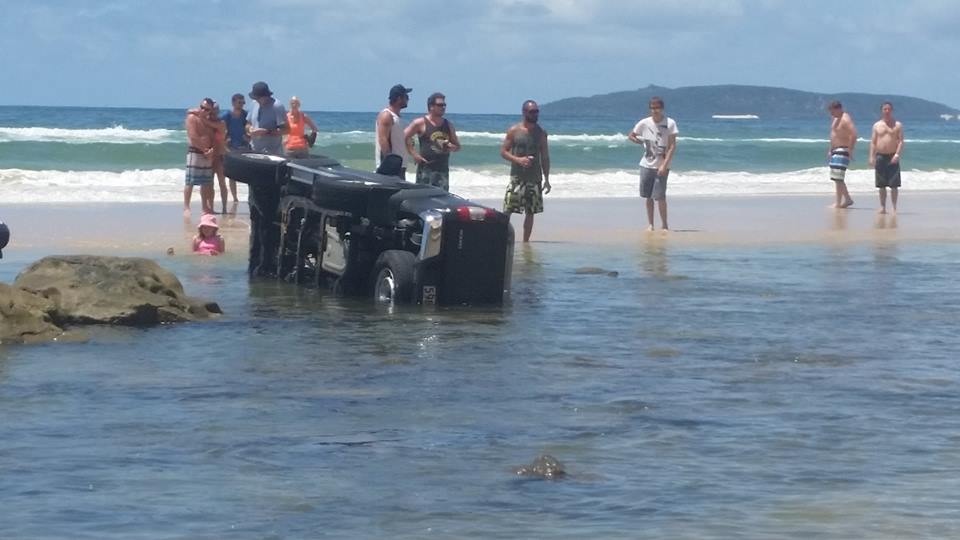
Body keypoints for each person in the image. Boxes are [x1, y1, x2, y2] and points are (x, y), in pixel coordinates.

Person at [501, 100, 551, 242]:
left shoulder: (541, 133)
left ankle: (525, 243)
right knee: (507, 209)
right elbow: (503, 152)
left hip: (534, 178)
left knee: (530, 212)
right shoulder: (514, 131)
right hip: (517, 177)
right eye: (532, 112)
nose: (535, 114)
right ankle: (502, 239)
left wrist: (547, 179)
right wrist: (518, 160)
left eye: (536, 111)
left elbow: (545, 157)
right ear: (524, 112)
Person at [628, 96, 678, 231]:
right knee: (648, 197)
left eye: (657, 108)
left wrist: (665, 164)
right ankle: (650, 224)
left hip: (662, 165)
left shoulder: (670, 123)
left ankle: (665, 225)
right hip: (646, 164)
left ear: (662, 109)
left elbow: (672, 146)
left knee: (660, 196)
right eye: (652, 108)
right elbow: (631, 135)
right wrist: (639, 141)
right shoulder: (644, 122)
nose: (655, 110)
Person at [404, 92, 461, 191]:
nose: (443, 107)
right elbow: (404, 137)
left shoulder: (448, 125)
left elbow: (458, 146)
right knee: (422, 201)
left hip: (442, 171)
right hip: (426, 170)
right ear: (431, 107)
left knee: (441, 202)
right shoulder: (420, 123)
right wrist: (414, 154)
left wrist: (452, 147)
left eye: (444, 105)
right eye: (440, 105)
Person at [184, 98, 218, 216]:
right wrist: (204, 150)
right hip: (195, 152)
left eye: (207, 109)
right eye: (202, 107)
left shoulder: (208, 121)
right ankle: (186, 207)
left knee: (206, 182)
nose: (203, 110)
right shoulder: (192, 118)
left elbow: (214, 137)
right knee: (190, 181)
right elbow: (193, 136)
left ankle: (205, 207)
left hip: (207, 153)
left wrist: (211, 150)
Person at [868, 101, 904, 214]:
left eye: (889, 109)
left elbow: (901, 141)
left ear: (892, 110)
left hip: (892, 156)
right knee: (881, 184)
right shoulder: (877, 125)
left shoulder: (897, 125)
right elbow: (873, 142)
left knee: (894, 184)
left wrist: (897, 154)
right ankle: (882, 207)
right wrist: (871, 157)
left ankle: (894, 207)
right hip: (880, 156)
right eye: (885, 109)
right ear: (882, 111)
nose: (887, 111)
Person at [375, 84, 412, 179]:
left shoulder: (398, 117)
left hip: (400, 165)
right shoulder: (387, 115)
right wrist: (390, 164)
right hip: (390, 168)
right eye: (406, 97)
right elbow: (383, 140)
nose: (408, 99)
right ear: (399, 98)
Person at [827, 100, 857, 209]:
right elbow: (834, 134)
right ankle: (846, 199)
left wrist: (850, 149)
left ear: (838, 109)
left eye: (833, 111)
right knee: (836, 177)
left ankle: (839, 202)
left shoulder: (845, 118)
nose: (831, 114)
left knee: (838, 177)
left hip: (843, 149)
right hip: (835, 150)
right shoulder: (835, 119)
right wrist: (830, 149)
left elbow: (854, 134)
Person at [222, 93, 250, 206]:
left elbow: (250, 127)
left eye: (243, 102)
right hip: (231, 148)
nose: (242, 105)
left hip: (244, 147)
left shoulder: (246, 115)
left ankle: (250, 196)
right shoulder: (227, 115)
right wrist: (224, 139)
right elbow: (218, 127)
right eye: (240, 102)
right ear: (233, 103)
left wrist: (249, 136)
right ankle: (235, 198)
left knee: (248, 173)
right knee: (232, 175)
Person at [247, 81, 288, 155]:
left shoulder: (277, 106)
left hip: (272, 153)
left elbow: (286, 130)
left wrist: (267, 132)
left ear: (265, 96)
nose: (256, 100)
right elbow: (248, 124)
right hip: (254, 151)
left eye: (258, 98)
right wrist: (250, 129)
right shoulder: (253, 104)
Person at [210, 101, 229, 214]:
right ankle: (210, 207)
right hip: (210, 157)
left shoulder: (221, 123)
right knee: (209, 183)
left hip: (220, 156)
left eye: (216, 109)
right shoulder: (206, 123)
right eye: (212, 109)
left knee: (222, 183)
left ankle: (224, 208)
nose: (214, 111)